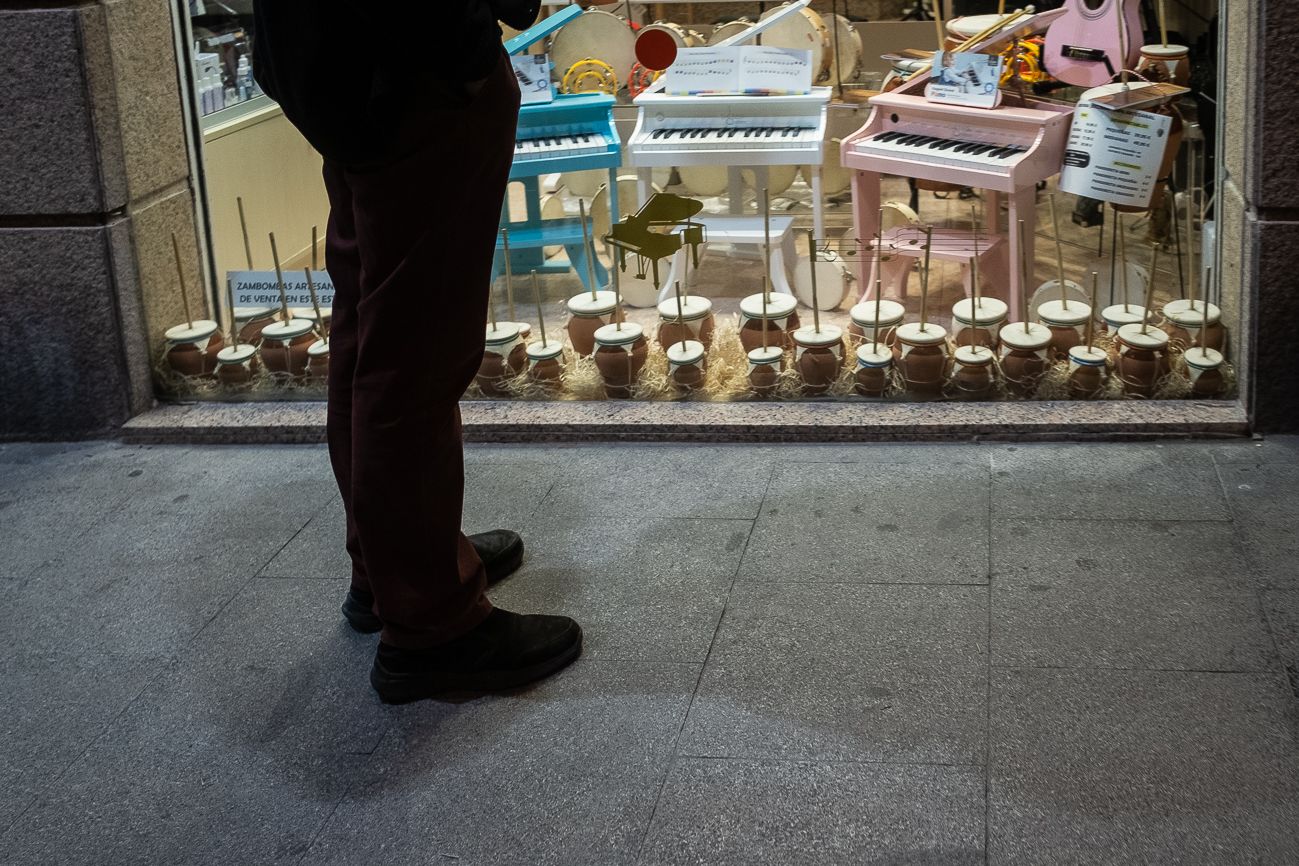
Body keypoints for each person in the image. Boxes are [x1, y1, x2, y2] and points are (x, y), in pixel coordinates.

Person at [253, 0, 582, 703]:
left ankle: (391, 571)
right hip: (411, 66)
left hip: (340, 65)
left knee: (371, 326)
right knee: (416, 352)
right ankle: (434, 624)